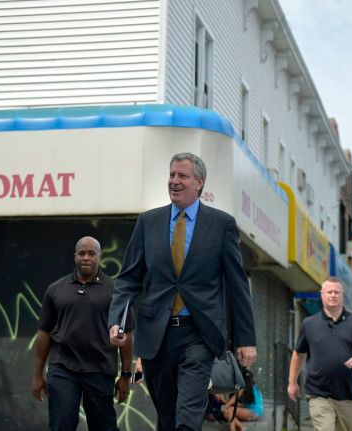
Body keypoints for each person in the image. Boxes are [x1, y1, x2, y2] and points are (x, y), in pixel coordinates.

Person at [108, 152, 257, 431]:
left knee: (187, 419)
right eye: (172, 175)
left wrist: (245, 339)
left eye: (183, 176)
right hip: (156, 336)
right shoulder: (148, 222)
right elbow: (129, 279)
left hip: (199, 334)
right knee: (167, 418)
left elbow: (237, 285)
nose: (174, 181)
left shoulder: (221, 224)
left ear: (199, 183)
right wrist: (117, 320)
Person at [32, 236, 134, 431]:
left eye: (91, 253)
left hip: (100, 370)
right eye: (82, 253)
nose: (86, 257)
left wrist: (125, 377)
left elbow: (127, 335)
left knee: (104, 427)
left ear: (100, 257)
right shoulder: (55, 289)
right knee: (61, 426)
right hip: (63, 369)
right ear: (75, 257)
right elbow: (44, 332)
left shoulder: (116, 291)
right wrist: (38, 374)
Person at [287, 277, 352, 431]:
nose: (333, 295)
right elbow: (298, 354)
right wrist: (292, 382)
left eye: (337, 292)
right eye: (329, 292)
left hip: (348, 394)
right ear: (322, 295)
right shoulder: (309, 324)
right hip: (319, 393)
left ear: (342, 295)